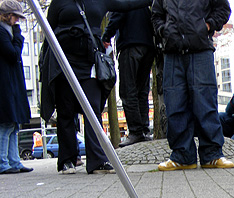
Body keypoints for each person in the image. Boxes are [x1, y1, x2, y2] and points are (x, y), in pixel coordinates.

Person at [39, 0, 151, 174]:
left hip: (89, 61)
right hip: (63, 61)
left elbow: (127, 4)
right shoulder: (58, 3)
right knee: (65, 110)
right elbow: (49, 31)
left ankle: (97, 160)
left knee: (92, 107)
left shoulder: (99, 0)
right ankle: (67, 159)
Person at [152, 0, 234, 171]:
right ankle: (182, 156)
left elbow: (223, 9)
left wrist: (208, 26)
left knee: (205, 104)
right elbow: (156, 15)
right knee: (175, 105)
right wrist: (163, 30)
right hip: (172, 52)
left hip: (200, 50)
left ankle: (212, 154)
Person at [102, 7, 156, 147]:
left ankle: (136, 132)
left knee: (128, 90)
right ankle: (144, 129)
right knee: (142, 90)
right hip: (148, 45)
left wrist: (106, 36)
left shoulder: (123, 2)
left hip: (130, 44)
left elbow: (117, 17)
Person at [0, 0, 33, 174]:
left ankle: (14, 161)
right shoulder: (2, 32)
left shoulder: (7, 32)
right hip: (5, 84)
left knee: (12, 124)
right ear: (8, 16)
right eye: (15, 17)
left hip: (11, 83)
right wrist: (18, 37)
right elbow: (13, 54)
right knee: (6, 124)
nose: (17, 21)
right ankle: (3, 163)